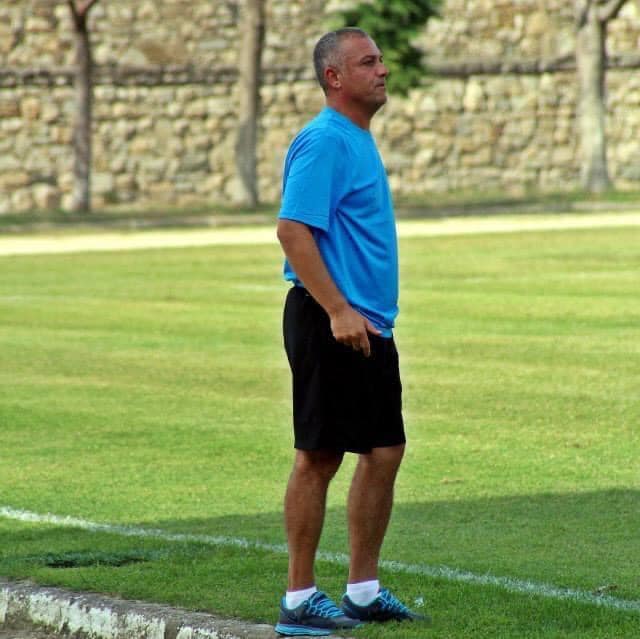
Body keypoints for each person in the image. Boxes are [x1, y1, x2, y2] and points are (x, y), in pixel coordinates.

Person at [274, 28, 429, 637]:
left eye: (381, 60)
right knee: (319, 456)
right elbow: (293, 231)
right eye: (368, 62)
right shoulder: (325, 141)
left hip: (368, 324)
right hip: (331, 320)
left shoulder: (355, 137)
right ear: (334, 77)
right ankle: (298, 599)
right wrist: (338, 310)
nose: (383, 70)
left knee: (384, 450)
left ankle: (363, 591)